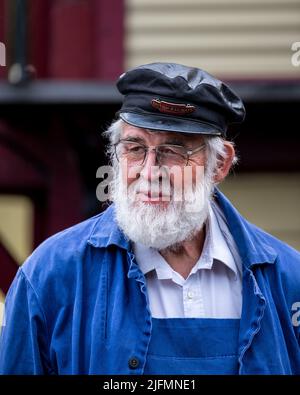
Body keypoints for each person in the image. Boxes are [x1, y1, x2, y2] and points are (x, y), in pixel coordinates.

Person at [0, 62, 300, 375]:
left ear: (219, 164)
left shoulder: (290, 282)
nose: (149, 171)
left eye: (173, 150)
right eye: (135, 148)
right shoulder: (50, 276)